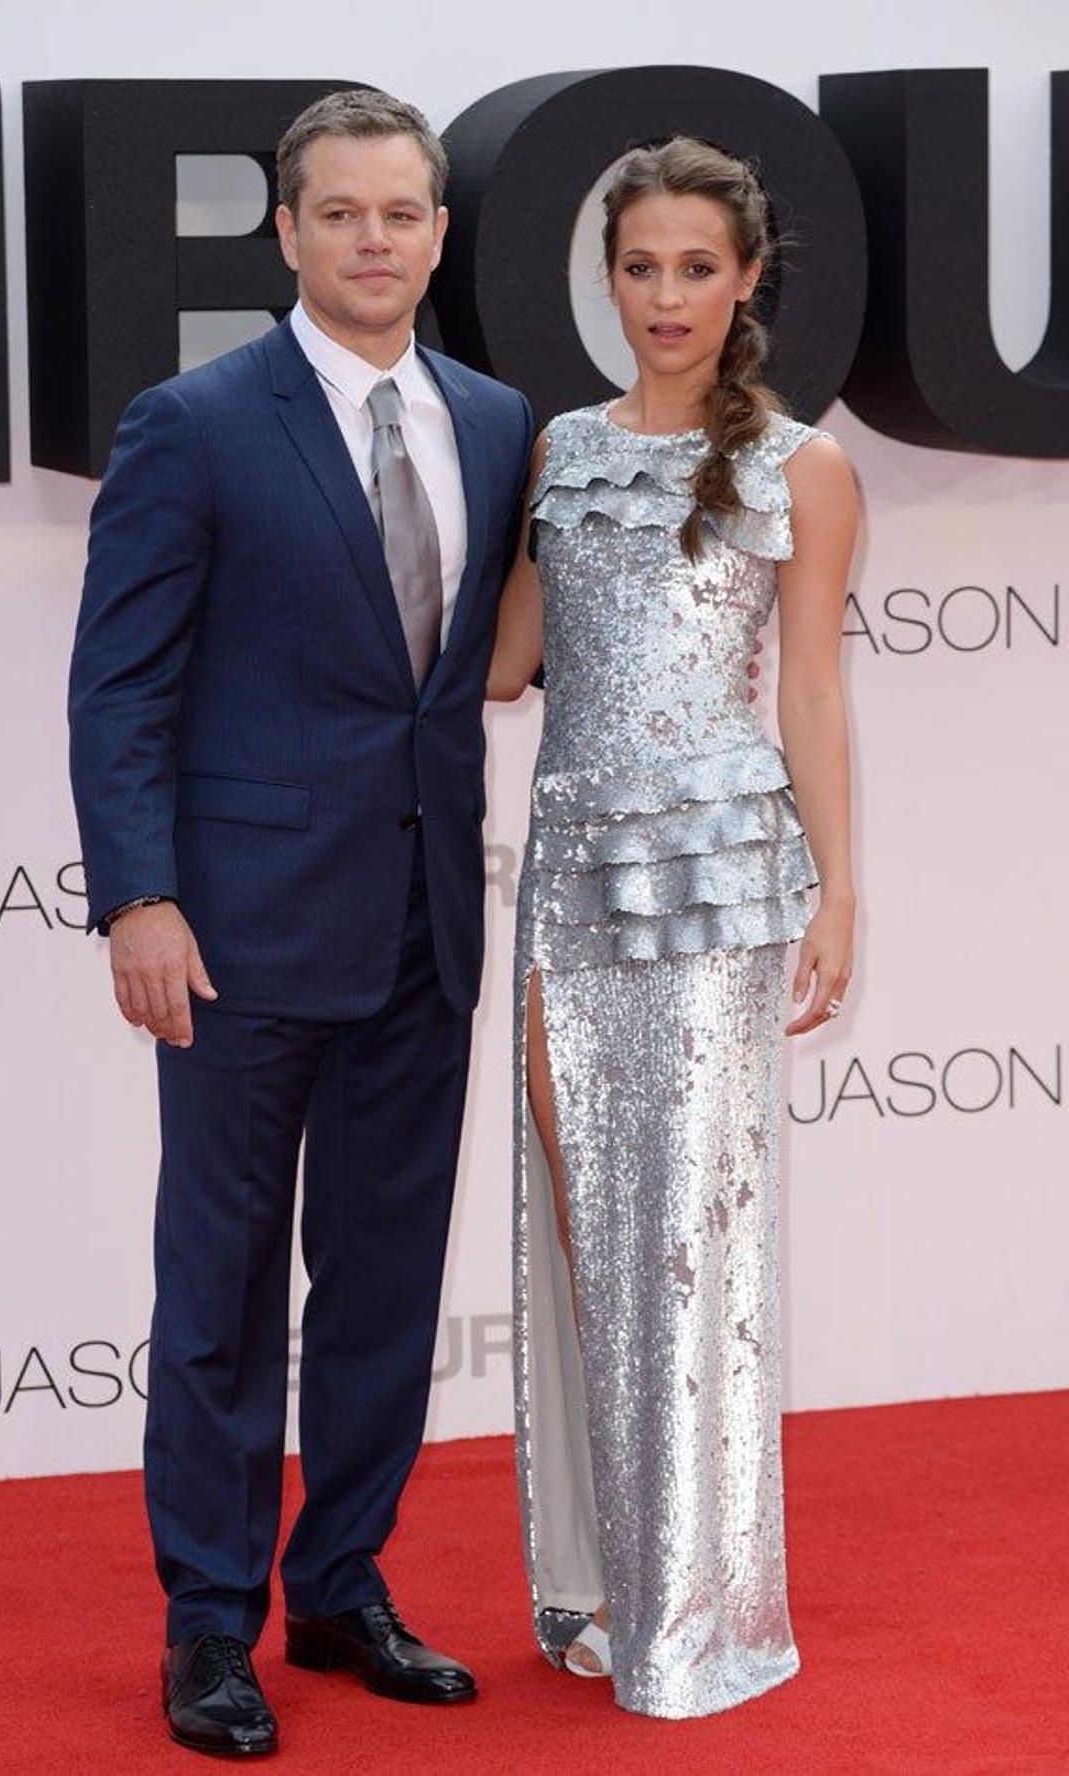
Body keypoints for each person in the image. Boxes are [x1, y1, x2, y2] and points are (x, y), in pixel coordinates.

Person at [68, 90, 534, 1758]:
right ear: (285, 232)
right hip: (239, 939)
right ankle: (209, 1627)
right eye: (339, 214)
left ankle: (342, 1583)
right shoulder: (190, 422)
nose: (374, 242)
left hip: (423, 931)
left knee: (386, 1286)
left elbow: (468, 669)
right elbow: (119, 680)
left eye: (402, 214)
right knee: (219, 1292)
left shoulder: (494, 420)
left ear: (437, 230)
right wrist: (137, 892)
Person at [487, 136, 857, 1717]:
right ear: (608, 276)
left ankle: (695, 1613)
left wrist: (845, 892)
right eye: (640, 266)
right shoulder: (558, 447)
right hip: (570, 882)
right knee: (576, 1229)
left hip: (717, 897)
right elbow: (502, 663)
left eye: (697, 267)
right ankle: (598, 1578)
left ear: (747, 278)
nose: (666, 296)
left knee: (690, 1247)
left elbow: (817, 693)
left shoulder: (803, 465)